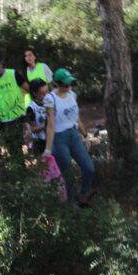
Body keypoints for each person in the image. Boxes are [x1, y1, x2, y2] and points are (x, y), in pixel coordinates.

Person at [43, 68, 95, 206]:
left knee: (89, 168)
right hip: (59, 139)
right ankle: (72, 205)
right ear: (56, 83)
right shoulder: (50, 99)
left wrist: (84, 134)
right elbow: (50, 125)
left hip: (74, 135)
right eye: (64, 84)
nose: (68, 86)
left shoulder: (72, 95)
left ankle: (82, 195)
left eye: (70, 83)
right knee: (68, 175)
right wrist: (48, 149)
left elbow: (76, 117)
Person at [0, 55, 30, 160]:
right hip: (3, 120)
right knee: (12, 148)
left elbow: (27, 88)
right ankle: (19, 167)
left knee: (25, 146)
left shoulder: (13, 74)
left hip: (19, 116)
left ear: (1, 64)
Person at [26, 78, 49, 155]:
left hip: (53, 138)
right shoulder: (31, 108)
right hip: (40, 142)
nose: (46, 96)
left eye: (47, 92)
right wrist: (46, 125)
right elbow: (33, 129)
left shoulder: (51, 103)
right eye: (43, 94)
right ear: (34, 93)